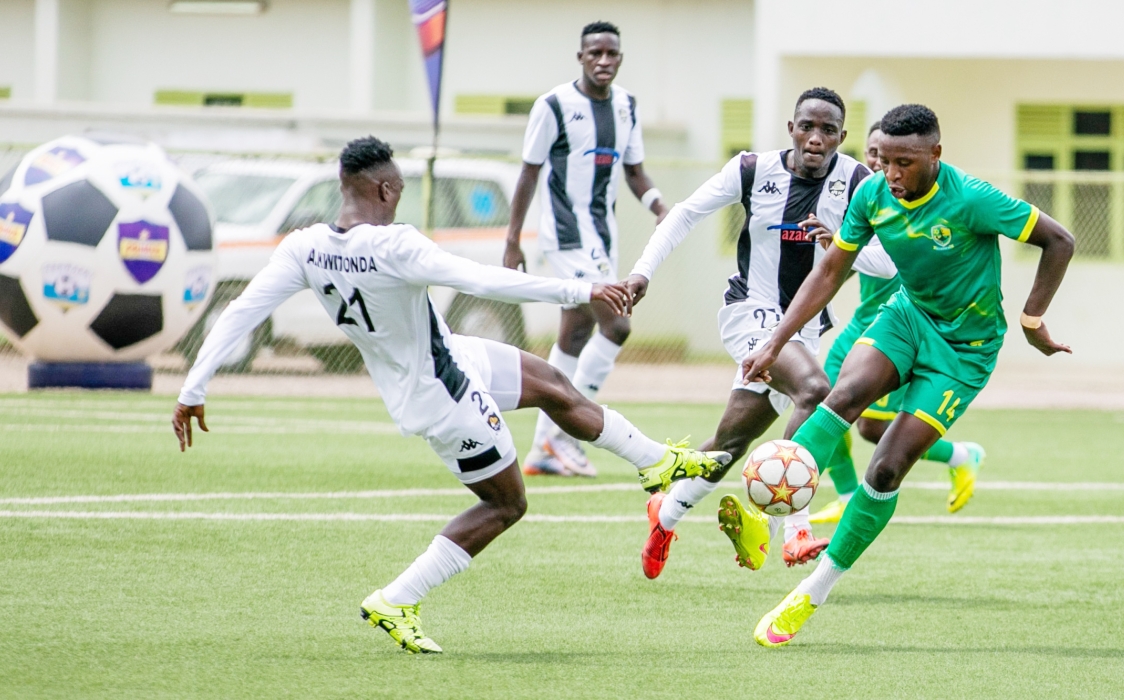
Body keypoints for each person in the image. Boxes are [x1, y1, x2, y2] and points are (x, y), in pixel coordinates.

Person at [171, 137, 730, 654]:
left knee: (555, 386)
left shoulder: (304, 247)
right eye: (400, 190)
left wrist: (192, 388)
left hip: (449, 356)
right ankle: (398, 598)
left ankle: (656, 463)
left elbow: (242, 310)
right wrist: (584, 289)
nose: (399, 199)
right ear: (384, 189)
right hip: (443, 394)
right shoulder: (395, 244)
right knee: (507, 504)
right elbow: (483, 280)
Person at [739, 105, 1074, 647]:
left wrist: (1032, 320)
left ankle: (812, 592)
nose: (890, 173)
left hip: (965, 351)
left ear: (935, 154)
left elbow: (1059, 240)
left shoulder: (971, 198)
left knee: (887, 468)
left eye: (904, 162)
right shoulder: (872, 194)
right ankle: (770, 516)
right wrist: (776, 340)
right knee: (843, 395)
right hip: (908, 317)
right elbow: (831, 270)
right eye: (884, 160)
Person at [623, 87, 896, 579]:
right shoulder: (752, 169)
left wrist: (843, 246)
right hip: (750, 313)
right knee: (815, 390)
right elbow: (684, 213)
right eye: (807, 127)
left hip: (804, 329)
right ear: (791, 128)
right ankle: (794, 529)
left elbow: (890, 262)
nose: (816, 138)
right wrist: (643, 271)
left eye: (828, 130)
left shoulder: (858, 181)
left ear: (842, 137)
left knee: (730, 443)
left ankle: (666, 513)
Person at [504, 20, 669, 478]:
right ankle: (562, 435)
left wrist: (660, 206)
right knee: (617, 324)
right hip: (567, 236)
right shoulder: (554, 105)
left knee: (575, 333)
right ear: (580, 57)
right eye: (595, 53)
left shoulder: (626, 106)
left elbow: (634, 171)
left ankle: (545, 446)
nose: (603, 60)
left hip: (602, 236)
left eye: (611, 53)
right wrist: (512, 240)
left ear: (620, 58)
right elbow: (529, 172)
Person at [810, 121, 985, 525]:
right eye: (874, 154)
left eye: (891, 157)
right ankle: (846, 494)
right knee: (822, 404)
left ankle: (961, 455)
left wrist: (839, 247)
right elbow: (841, 269)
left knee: (873, 430)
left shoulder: (915, 206)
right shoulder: (870, 200)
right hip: (861, 323)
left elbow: (887, 263)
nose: (880, 163)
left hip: (899, 330)